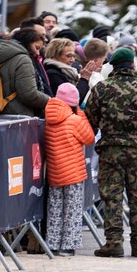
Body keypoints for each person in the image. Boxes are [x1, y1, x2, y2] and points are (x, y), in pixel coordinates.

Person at [85, 47, 137, 258]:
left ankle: (114, 243)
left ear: (113, 66)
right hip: (136, 150)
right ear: (132, 65)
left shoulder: (101, 89)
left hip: (110, 149)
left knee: (112, 197)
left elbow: (90, 117)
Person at [44, 83, 95, 256]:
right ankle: (68, 245)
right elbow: (89, 138)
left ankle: (52, 243)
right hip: (73, 173)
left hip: (55, 173)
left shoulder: (49, 120)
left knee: (55, 209)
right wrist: (80, 113)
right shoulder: (74, 120)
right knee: (72, 210)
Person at [0, 28, 51, 117]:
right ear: (27, 42)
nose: (37, 53)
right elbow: (29, 94)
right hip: (18, 115)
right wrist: (50, 101)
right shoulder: (23, 59)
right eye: (36, 48)